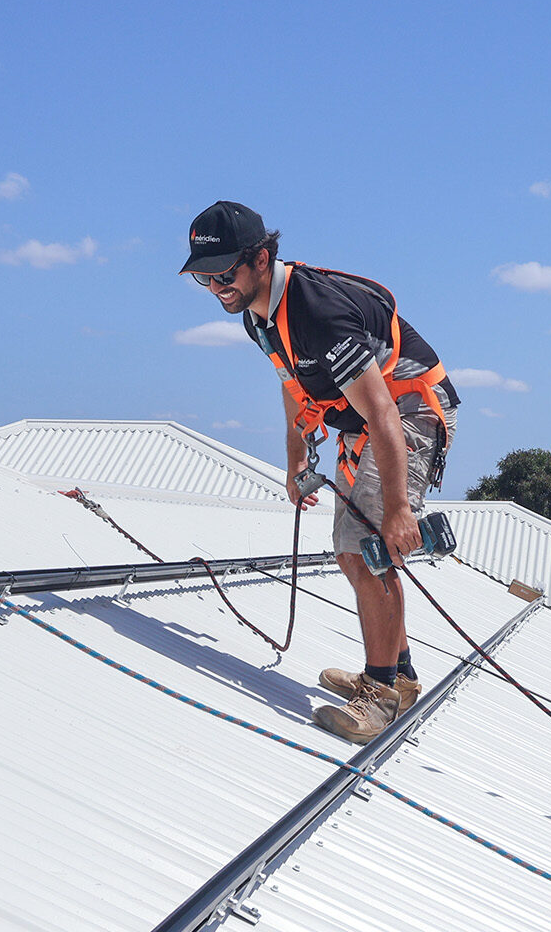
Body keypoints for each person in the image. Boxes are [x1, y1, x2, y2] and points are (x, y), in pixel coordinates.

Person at [181, 200, 459, 743]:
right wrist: (295, 454)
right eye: (203, 279)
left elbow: (383, 414)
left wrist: (400, 508)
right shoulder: (258, 318)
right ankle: (397, 674)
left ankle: (379, 697)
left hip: (406, 414)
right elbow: (293, 384)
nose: (216, 287)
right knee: (349, 550)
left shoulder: (317, 313)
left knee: (369, 549)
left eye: (224, 273)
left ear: (261, 259)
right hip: (365, 420)